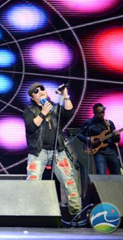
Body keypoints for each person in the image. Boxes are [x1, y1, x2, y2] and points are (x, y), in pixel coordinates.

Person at [23, 82, 82, 216]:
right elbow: (31, 127)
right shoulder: (29, 111)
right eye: (36, 91)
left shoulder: (55, 108)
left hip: (58, 151)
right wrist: (43, 113)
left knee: (69, 181)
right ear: (33, 97)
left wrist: (65, 95)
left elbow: (69, 112)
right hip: (38, 152)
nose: (40, 91)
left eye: (42, 89)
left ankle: (76, 214)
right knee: (33, 182)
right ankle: (30, 214)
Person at [78, 103, 121, 175]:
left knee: (117, 174)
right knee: (101, 175)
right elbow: (79, 134)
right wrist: (87, 139)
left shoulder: (109, 123)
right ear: (94, 112)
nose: (102, 114)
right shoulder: (89, 123)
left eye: (103, 112)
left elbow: (116, 140)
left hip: (111, 151)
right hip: (99, 152)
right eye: (100, 113)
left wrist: (117, 136)